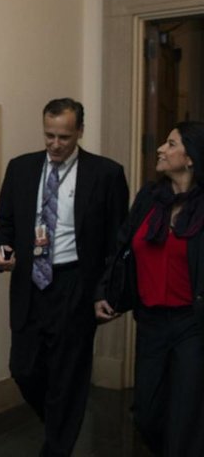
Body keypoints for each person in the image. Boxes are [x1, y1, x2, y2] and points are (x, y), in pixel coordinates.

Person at [0, 98, 129, 456]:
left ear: (80, 131)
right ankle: (58, 425)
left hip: (75, 284)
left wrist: (106, 292)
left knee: (68, 377)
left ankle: (57, 448)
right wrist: (1, 248)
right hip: (30, 284)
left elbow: (118, 243)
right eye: (49, 135)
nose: (55, 144)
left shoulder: (106, 174)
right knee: (24, 369)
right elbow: (5, 222)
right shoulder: (21, 168)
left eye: (64, 137)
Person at [95, 122, 204, 457]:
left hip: (192, 324)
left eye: (171, 144)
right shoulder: (149, 198)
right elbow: (121, 247)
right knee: (147, 415)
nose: (160, 149)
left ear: (190, 157)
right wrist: (105, 291)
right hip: (151, 322)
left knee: (186, 419)